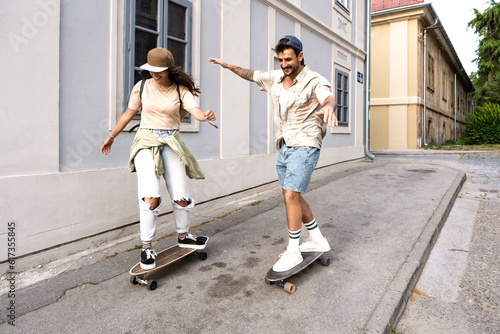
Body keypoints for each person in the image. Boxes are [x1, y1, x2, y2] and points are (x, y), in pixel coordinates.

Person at [209, 35, 338, 272]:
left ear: (300, 56)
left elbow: (328, 97)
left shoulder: (313, 80)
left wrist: (329, 107)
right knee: (292, 194)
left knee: (290, 195)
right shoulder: (277, 78)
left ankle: (293, 250)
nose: (284, 64)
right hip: (286, 144)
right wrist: (229, 66)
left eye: (288, 59)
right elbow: (252, 74)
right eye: (280, 59)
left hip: (306, 142)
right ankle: (317, 238)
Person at [101, 47, 216, 270]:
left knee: (181, 197)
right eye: (151, 69)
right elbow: (128, 114)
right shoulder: (142, 87)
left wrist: (205, 117)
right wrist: (111, 136)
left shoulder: (181, 89)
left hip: (171, 141)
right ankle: (146, 247)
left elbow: (195, 110)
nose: (154, 73)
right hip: (146, 141)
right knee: (151, 197)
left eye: (159, 70)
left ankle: (183, 236)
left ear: (169, 70)